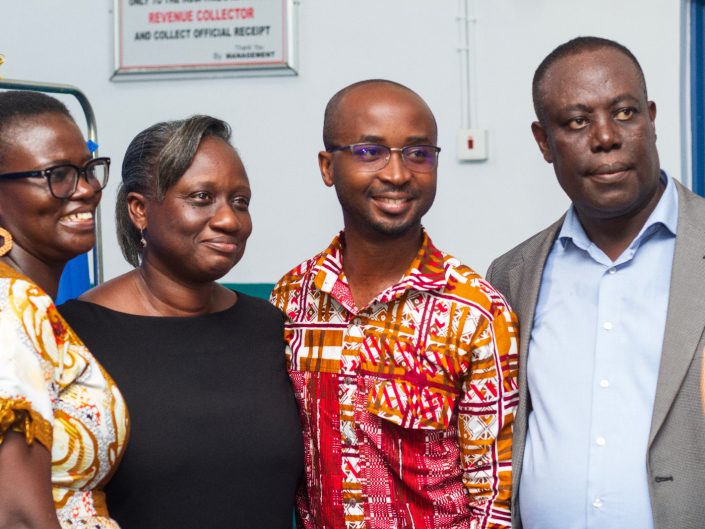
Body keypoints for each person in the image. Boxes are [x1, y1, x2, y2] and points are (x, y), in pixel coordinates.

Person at [270, 79, 518, 529]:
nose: (398, 174)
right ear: (327, 167)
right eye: (370, 152)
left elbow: (493, 498)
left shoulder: (475, 312)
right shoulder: (291, 300)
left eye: (419, 153)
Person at [486, 36, 705, 529]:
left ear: (651, 118)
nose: (605, 137)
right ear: (544, 142)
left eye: (624, 113)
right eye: (577, 122)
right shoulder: (512, 275)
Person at [59, 115, 303, 529]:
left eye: (240, 202)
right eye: (202, 197)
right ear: (139, 209)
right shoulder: (74, 336)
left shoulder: (270, 326)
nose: (229, 220)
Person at [0, 91, 125, 529]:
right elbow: (17, 516)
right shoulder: (12, 304)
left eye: (88, 170)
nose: (86, 189)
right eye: (57, 175)